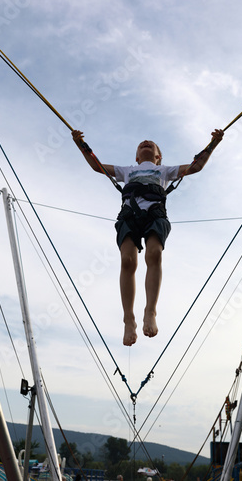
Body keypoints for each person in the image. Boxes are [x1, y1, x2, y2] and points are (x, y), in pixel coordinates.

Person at [72, 129, 224, 346]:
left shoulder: (165, 170)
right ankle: (128, 319)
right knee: (127, 261)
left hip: (154, 214)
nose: (145, 143)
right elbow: (97, 166)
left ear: (157, 156)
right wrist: (80, 144)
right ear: (136, 157)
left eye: (151, 144)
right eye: (142, 144)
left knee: (154, 255)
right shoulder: (127, 171)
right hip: (129, 216)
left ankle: (150, 311)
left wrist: (213, 142)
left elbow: (196, 166)